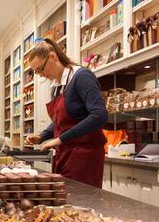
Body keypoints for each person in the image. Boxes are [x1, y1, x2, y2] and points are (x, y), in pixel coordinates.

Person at [25, 38, 108, 188]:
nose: (41, 75)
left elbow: (99, 115)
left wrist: (59, 139)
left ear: (52, 57)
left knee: (80, 203)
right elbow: (61, 120)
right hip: (64, 154)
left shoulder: (82, 76)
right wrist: (42, 136)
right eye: (36, 72)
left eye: (41, 69)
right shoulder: (57, 86)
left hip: (84, 155)